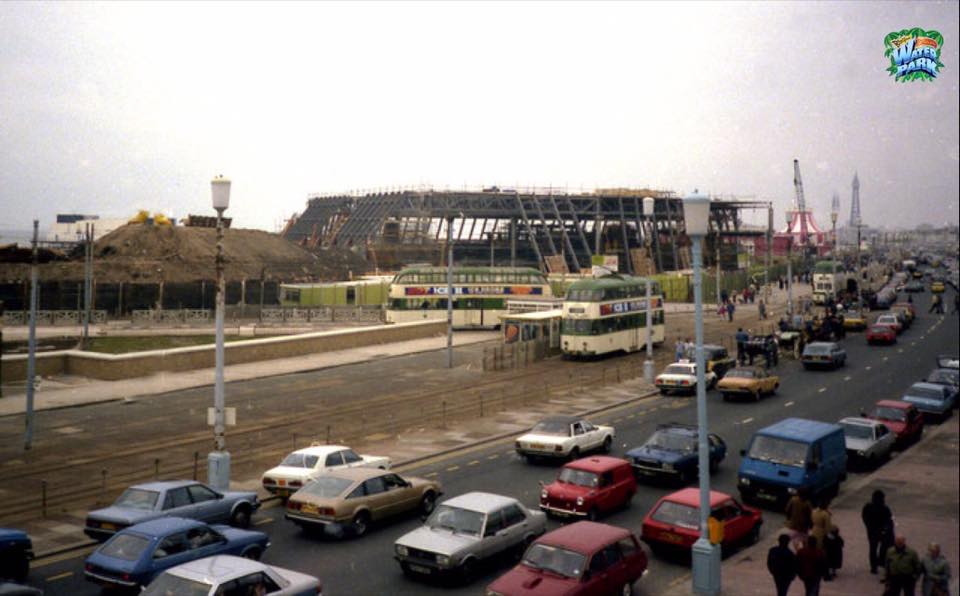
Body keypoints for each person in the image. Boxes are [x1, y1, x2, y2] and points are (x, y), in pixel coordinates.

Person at [863, 489, 896, 575]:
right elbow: (889, 520)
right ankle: (880, 562)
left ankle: (874, 567)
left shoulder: (867, 507)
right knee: (883, 548)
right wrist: (885, 529)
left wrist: (869, 527)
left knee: (873, 549)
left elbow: (864, 518)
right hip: (881, 532)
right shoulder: (884, 508)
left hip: (872, 532)